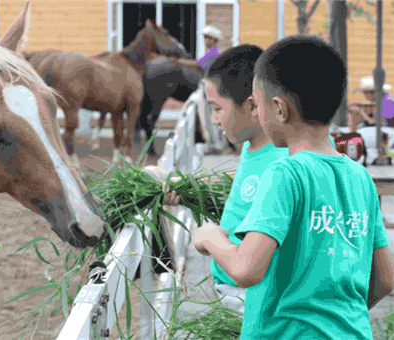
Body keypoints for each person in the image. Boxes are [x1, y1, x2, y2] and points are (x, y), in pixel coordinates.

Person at [184, 35, 394, 339]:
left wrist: (210, 238)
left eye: (259, 105)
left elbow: (246, 268)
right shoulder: (359, 177)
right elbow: (385, 279)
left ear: (279, 110)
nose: (256, 113)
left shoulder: (284, 173)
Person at [163, 43, 337, 317]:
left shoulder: (283, 163)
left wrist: (209, 238)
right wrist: (191, 189)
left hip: (256, 299)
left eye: (217, 109)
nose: (214, 120)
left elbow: (250, 267)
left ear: (253, 105)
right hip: (238, 292)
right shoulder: (252, 146)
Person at [170, 26, 234, 155]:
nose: (205, 40)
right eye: (204, 37)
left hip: (211, 89)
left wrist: (178, 62)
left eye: (207, 37)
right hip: (213, 88)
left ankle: (216, 146)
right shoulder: (213, 53)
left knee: (211, 117)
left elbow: (197, 65)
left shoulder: (214, 53)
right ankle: (217, 144)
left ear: (214, 39)